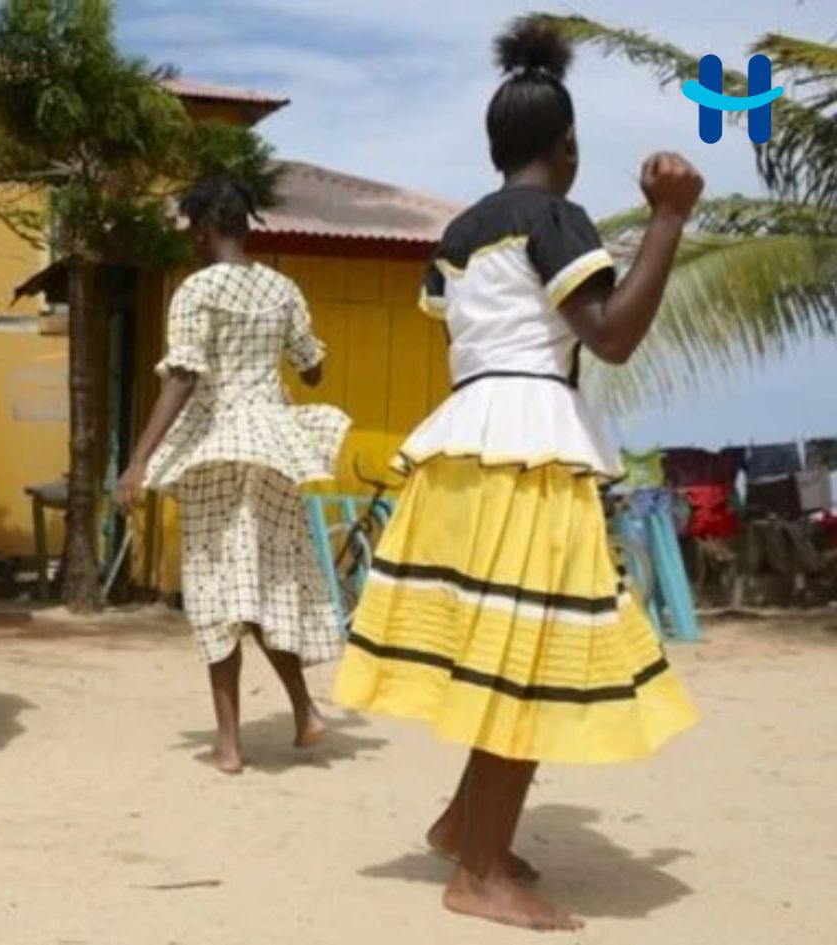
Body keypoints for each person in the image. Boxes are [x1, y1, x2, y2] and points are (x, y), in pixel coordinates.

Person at [331, 22, 703, 931]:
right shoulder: (555, 218)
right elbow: (609, 333)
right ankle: (481, 873)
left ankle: (465, 824)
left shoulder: (459, 235)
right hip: (530, 449)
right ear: (568, 147)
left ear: (494, 149)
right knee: (527, 658)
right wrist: (668, 219)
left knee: (506, 647)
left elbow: (466, 326)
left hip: (470, 445)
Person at [117, 176, 348, 775]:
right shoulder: (284, 288)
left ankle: (230, 744)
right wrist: (289, 354)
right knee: (265, 583)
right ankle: (305, 711)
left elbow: (184, 376)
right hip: (274, 447)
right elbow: (314, 368)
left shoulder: (197, 290)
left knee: (221, 591)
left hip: (220, 449)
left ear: (202, 228)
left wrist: (140, 458)